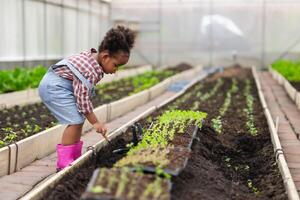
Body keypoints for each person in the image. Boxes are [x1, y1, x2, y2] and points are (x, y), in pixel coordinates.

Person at [38, 26, 136, 170]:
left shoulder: (94, 60)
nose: (116, 70)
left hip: (59, 85)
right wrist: (96, 122)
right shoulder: (88, 69)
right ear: (105, 57)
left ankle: (73, 158)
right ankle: (64, 163)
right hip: (54, 88)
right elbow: (82, 99)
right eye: (116, 65)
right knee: (76, 120)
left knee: (78, 119)